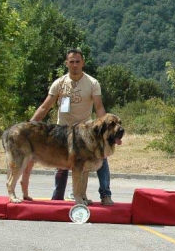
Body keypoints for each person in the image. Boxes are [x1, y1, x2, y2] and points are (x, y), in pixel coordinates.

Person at [30, 49, 114, 205]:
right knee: (61, 167)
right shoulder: (59, 83)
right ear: (66, 63)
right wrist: (29, 125)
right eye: (71, 61)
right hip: (63, 131)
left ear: (83, 63)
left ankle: (106, 195)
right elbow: (44, 107)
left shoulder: (93, 83)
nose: (75, 65)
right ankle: (57, 198)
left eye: (77, 61)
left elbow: (99, 108)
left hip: (85, 133)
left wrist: (106, 130)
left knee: (102, 159)